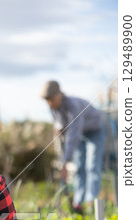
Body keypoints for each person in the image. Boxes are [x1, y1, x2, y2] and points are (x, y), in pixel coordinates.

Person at [40, 80, 107, 212]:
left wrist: (65, 162)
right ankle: (78, 202)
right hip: (80, 135)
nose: (49, 103)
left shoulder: (73, 106)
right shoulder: (54, 109)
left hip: (95, 131)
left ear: (59, 95)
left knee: (92, 166)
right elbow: (61, 129)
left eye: (51, 100)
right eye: (47, 100)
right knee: (79, 167)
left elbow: (73, 135)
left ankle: (91, 203)